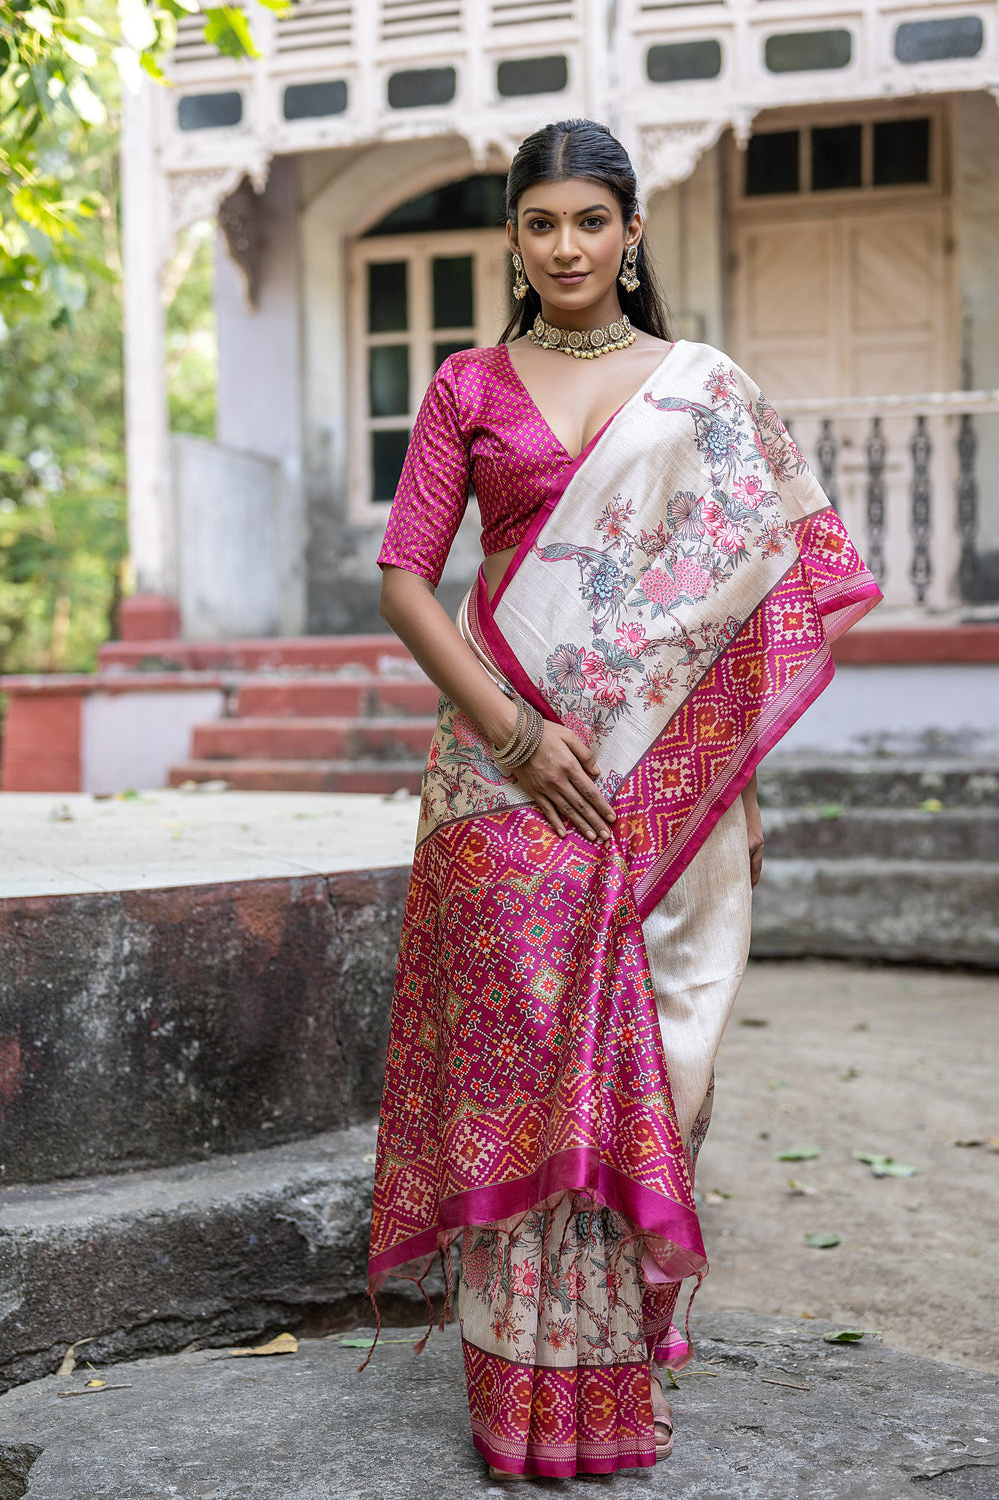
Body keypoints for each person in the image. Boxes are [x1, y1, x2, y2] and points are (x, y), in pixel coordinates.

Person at [367, 118, 881, 1479]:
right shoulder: (468, 385)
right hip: (501, 775)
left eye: (590, 220)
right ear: (517, 242)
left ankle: (614, 1381)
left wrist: (736, 785)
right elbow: (407, 579)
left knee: (664, 1062)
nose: (566, 246)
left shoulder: (699, 390)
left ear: (630, 233)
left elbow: (753, 596)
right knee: (520, 1069)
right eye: (541, 223)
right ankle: (518, 1402)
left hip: (665, 787)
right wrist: (518, 731)